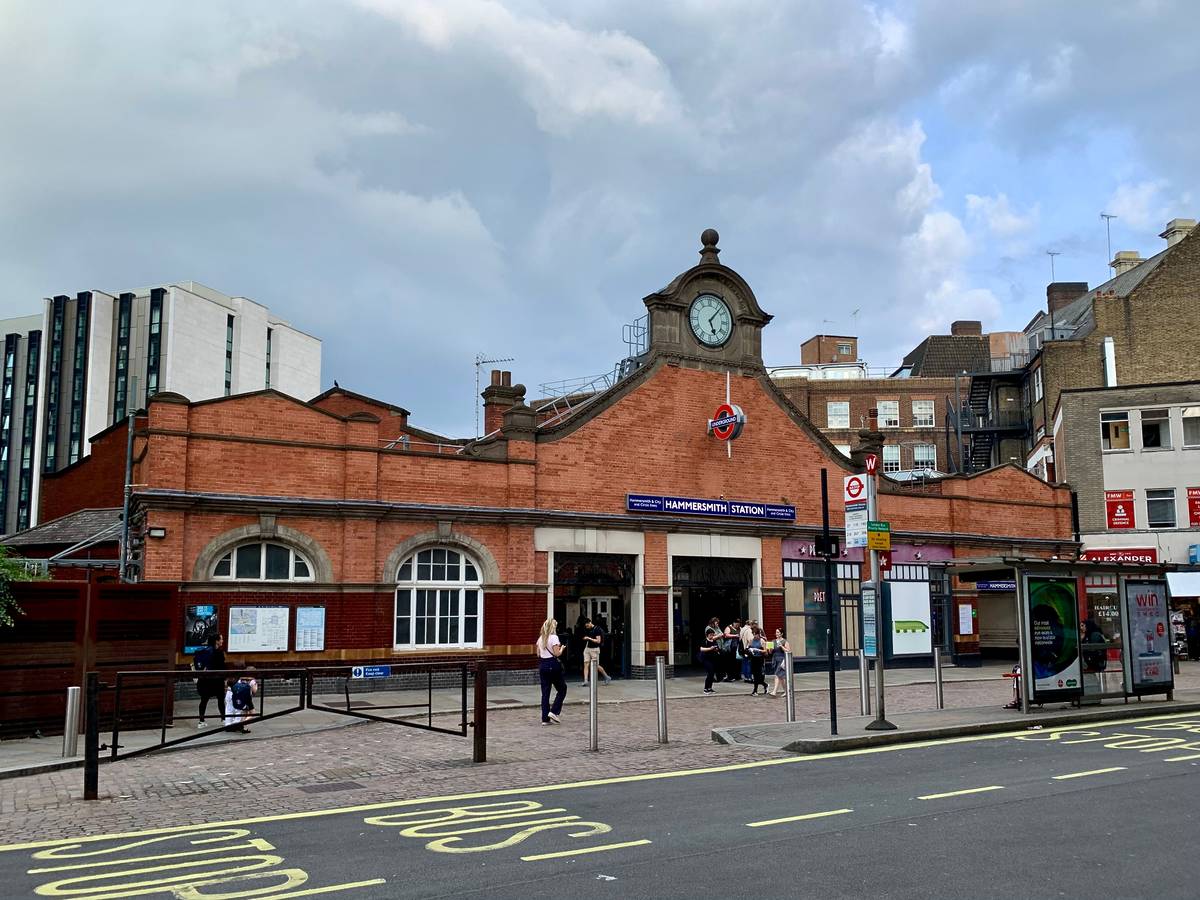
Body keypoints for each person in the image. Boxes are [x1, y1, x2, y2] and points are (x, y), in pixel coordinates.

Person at [535, 617, 567, 725]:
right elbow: (557, 653)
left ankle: (545, 719)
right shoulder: (554, 638)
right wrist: (562, 649)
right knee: (562, 688)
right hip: (552, 664)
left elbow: (538, 654)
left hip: (543, 665)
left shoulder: (540, 638)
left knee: (545, 693)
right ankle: (554, 711)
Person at [194, 634, 226, 728]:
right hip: (217, 680)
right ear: (216, 641)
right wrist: (224, 679)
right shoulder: (219, 652)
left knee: (204, 701)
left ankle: (201, 721)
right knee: (221, 700)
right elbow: (222, 667)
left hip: (205, 680)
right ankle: (224, 719)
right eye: (221, 639)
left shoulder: (203, 651)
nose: (222, 641)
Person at [580, 617, 612, 687]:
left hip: (594, 649)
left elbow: (598, 641)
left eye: (587, 625)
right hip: (587, 648)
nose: (586, 627)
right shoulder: (588, 629)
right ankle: (585, 680)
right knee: (586, 664)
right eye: (585, 626)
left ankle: (606, 677)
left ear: (590, 622)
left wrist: (588, 638)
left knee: (596, 665)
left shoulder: (597, 629)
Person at [230, 668, 258, 734]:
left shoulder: (241, 679)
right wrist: (255, 686)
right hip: (248, 698)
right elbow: (254, 691)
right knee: (252, 713)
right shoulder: (252, 680)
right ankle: (242, 723)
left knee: (244, 713)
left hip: (241, 698)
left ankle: (244, 728)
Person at [768, 628, 791, 697]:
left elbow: (788, 651)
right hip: (775, 660)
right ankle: (787, 691)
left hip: (782, 660)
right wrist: (770, 649)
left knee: (777, 675)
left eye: (778, 632)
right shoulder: (773, 641)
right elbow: (770, 652)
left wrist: (781, 646)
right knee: (781, 677)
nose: (776, 634)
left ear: (782, 633)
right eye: (776, 632)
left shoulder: (784, 641)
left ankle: (774, 692)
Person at [699, 626, 721, 694]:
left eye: (712, 635)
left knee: (712, 674)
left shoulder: (714, 641)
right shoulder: (704, 641)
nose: (712, 636)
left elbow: (717, 647)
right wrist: (710, 649)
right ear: (707, 635)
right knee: (710, 673)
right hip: (706, 659)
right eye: (710, 635)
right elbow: (701, 649)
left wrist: (716, 649)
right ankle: (705, 688)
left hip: (713, 659)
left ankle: (710, 688)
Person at [747, 626, 768, 695]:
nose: (754, 636)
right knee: (755, 675)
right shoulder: (751, 640)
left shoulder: (762, 641)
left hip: (760, 659)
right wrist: (749, 650)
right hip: (753, 659)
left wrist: (758, 650)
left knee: (758, 675)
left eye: (755, 634)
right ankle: (765, 685)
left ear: (759, 634)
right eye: (753, 634)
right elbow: (748, 647)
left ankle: (755, 690)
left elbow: (765, 651)